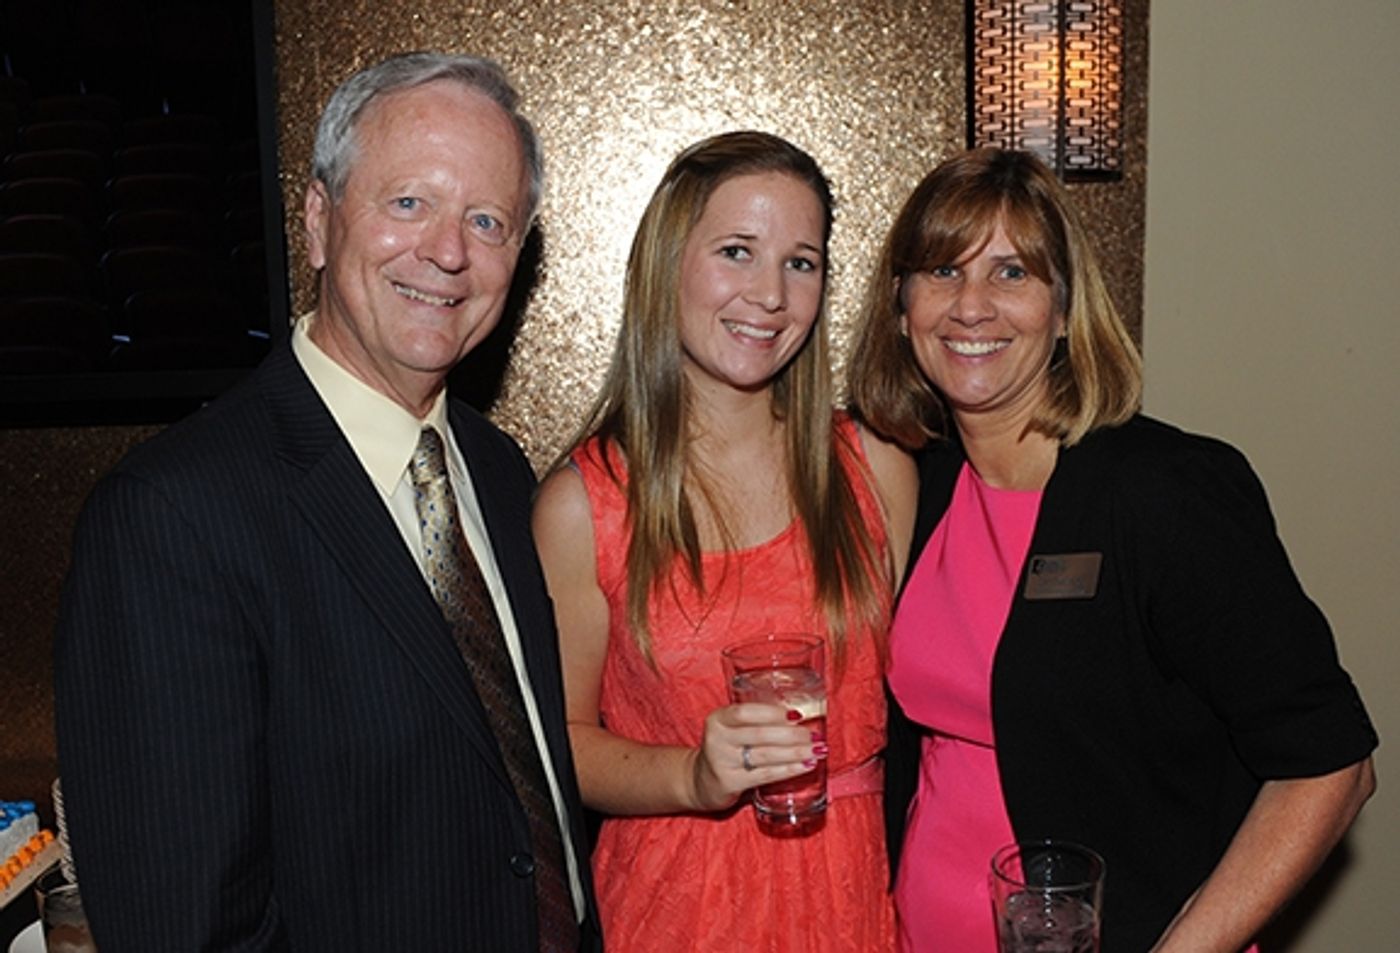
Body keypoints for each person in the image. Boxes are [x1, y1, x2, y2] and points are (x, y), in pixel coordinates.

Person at [54, 52, 601, 951]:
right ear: (316, 221)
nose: (449, 251)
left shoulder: (502, 475)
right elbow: (185, 929)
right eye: (408, 202)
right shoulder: (170, 518)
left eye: (488, 219)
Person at [847, 146, 1378, 953]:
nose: (972, 305)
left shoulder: (1165, 492)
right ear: (900, 303)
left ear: (1063, 308)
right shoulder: (912, 481)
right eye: (942, 272)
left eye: (1012, 273)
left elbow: (1331, 766)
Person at [531, 130, 916, 951]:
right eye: (737, 251)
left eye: (801, 262)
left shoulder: (875, 469)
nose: (771, 294)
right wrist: (691, 776)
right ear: (667, 264)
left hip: (846, 895)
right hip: (675, 905)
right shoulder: (584, 503)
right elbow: (556, 743)